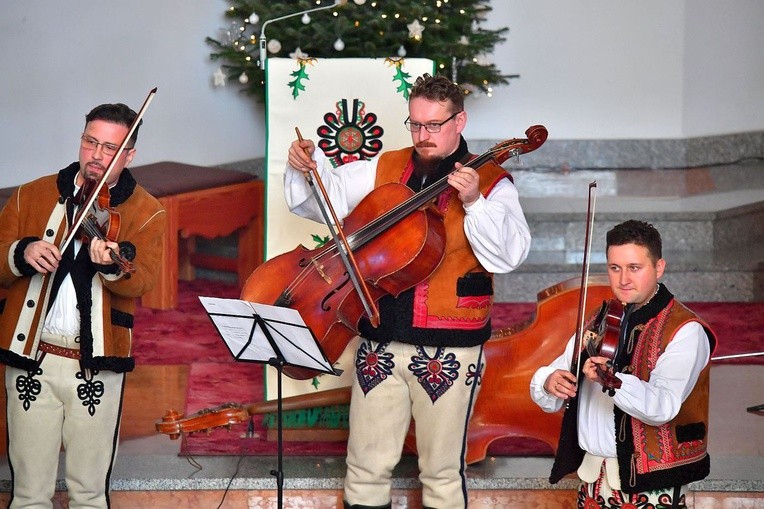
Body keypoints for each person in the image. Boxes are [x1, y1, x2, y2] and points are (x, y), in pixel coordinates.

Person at [284, 73, 531, 509]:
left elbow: (508, 256)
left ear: (460, 121)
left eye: (433, 125)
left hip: (449, 345)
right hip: (381, 338)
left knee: (440, 473)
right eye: (415, 124)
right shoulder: (386, 166)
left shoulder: (491, 181)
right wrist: (307, 166)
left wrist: (474, 201)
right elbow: (326, 197)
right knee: (364, 470)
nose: (422, 136)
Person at [0, 103, 166, 508]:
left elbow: (143, 278)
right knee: (27, 494)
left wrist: (112, 264)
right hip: (32, 356)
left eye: (110, 148)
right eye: (90, 141)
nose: (96, 155)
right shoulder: (32, 194)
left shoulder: (146, 211)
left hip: (96, 364)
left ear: (129, 156)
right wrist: (22, 252)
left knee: (89, 495)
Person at [530, 220, 717, 509]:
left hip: (651, 484)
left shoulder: (684, 330)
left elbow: (662, 407)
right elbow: (555, 376)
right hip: (592, 477)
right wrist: (549, 381)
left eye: (634, 268)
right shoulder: (600, 319)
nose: (623, 280)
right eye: (614, 268)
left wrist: (612, 379)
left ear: (659, 268)